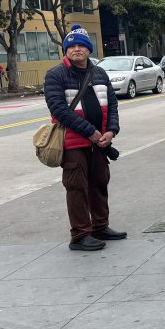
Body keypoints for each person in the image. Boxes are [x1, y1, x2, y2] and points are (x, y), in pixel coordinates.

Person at [44, 24, 124, 252]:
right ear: (66, 50)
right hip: (73, 143)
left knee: (99, 182)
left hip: (99, 143)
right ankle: (80, 235)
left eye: (81, 45)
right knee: (76, 187)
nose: (77, 49)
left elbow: (112, 104)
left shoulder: (99, 73)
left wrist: (112, 131)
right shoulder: (56, 75)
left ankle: (100, 226)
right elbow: (59, 109)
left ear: (89, 50)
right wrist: (90, 131)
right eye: (72, 46)